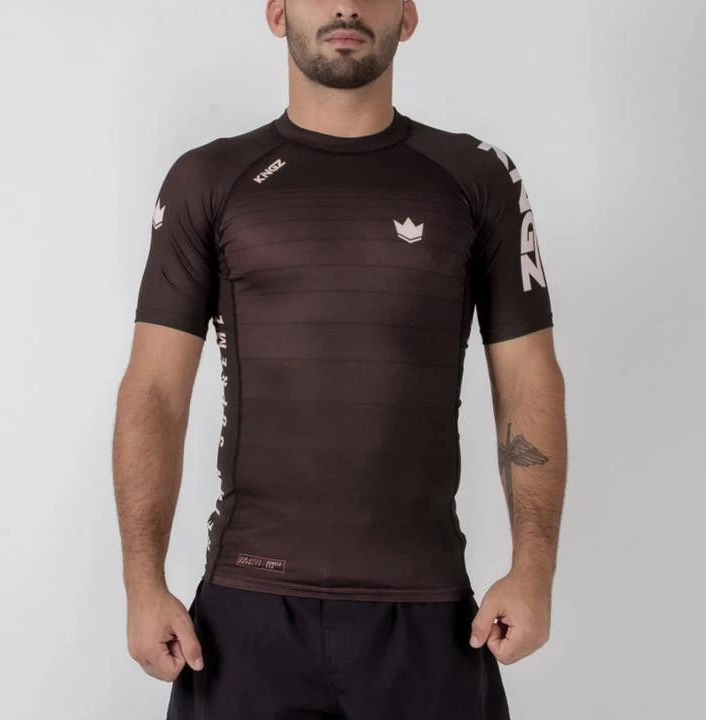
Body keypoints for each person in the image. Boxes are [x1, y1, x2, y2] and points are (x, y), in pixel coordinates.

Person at [112, 1, 568, 718]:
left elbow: (528, 378)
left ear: (408, 16)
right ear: (277, 12)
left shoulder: (478, 175)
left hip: (427, 616)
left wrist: (533, 571)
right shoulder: (208, 178)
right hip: (246, 613)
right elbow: (154, 393)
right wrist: (143, 584)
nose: (347, 5)